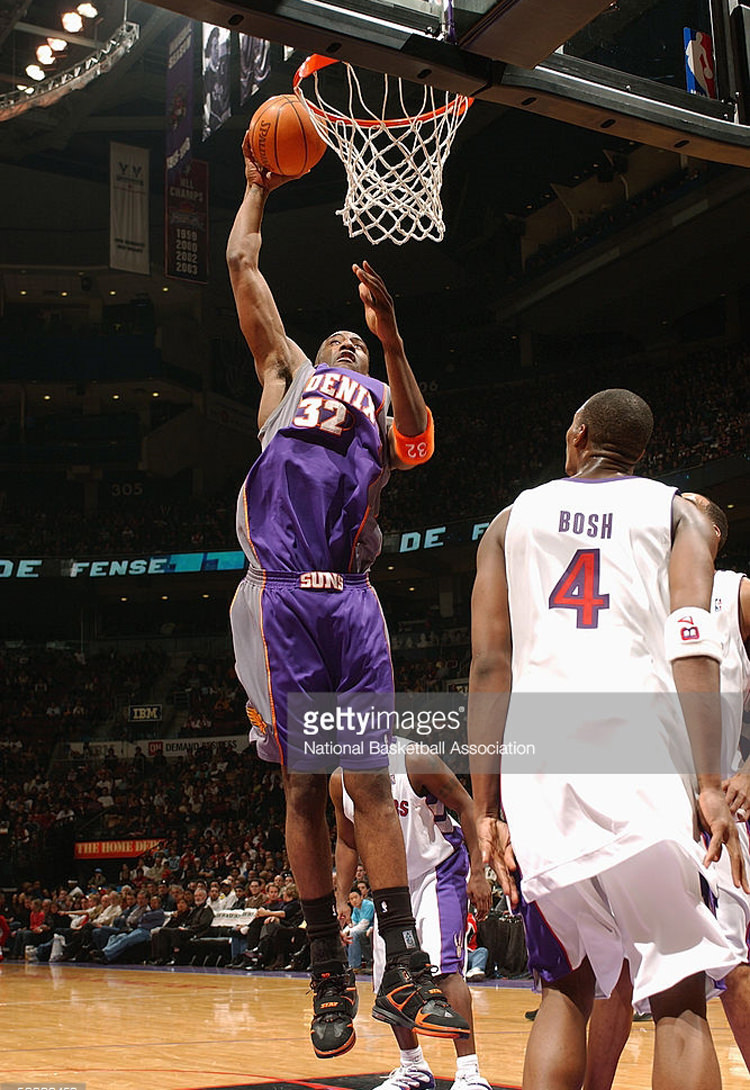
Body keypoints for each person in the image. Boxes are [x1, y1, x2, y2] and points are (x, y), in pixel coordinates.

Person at [225, 136, 467, 1060]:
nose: (348, 341)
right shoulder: (286, 375)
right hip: (283, 596)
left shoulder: (378, 395)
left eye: (357, 341)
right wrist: (255, 186)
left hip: (352, 600)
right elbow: (244, 264)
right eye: (344, 338)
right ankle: (328, 976)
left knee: (373, 781)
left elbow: (418, 438)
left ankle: (402, 964)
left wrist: (395, 341)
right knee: (302, 784)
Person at [469, 388, 747, 1090]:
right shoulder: (675, 510)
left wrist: (488, 810)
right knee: (679, 1000)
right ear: (641, 452)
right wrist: (709, 782)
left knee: (565, 990)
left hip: (539, 775)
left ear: (577, 434)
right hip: (638, 757)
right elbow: (693, 640)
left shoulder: (509, 521)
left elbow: (488, 666)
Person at [584, 492, 750, 1089]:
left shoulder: (735, 593)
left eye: (687, 509)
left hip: (709, 811)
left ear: (709, 533)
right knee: (616, 978)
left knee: (729, 970)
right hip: (632, 802)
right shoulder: (629, 592)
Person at [330, 749, 492, 1090]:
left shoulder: (415, 761)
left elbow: (467, 805)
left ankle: (469, 1073)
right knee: (390, 979)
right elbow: (347, 840)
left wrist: (478, 872)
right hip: (388, 882)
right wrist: (341, 896)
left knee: (445, 971)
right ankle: (414, 1067)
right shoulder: (339, 780)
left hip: (439, 870)